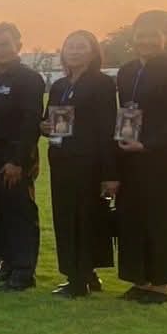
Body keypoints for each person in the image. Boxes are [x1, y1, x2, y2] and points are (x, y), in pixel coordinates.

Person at [114, 10, 167, 304]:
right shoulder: (126, 71)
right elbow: (125, 110)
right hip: (130, 154)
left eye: (153, 35)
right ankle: (140, 279)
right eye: (141, 35)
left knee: (161, 217)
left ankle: (161, 284)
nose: (146, 41)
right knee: (132, 216)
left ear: (166, 38)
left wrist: (148, 143)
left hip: (164, 155)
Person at [42, 31, 117, 298]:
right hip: (62, 160)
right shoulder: (60, 85)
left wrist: (110, 172)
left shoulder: (101, 83)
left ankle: (79, 279)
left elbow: (107, 128)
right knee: (65, 218)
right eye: (69, 46)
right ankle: (82, 273)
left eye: (80, 47)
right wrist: (44, 127)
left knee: (85, 219)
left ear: (93, 52)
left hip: (89, 162)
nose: (74, 51)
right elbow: (47, 120)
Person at [0, 23, 44, 292]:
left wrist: (18, 160)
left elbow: (30, 122)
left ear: (18, 45)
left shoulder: (28, 79)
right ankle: (7, 265)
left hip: (15, 153)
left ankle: (24, 272)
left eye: (4, 45)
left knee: (19, 214)